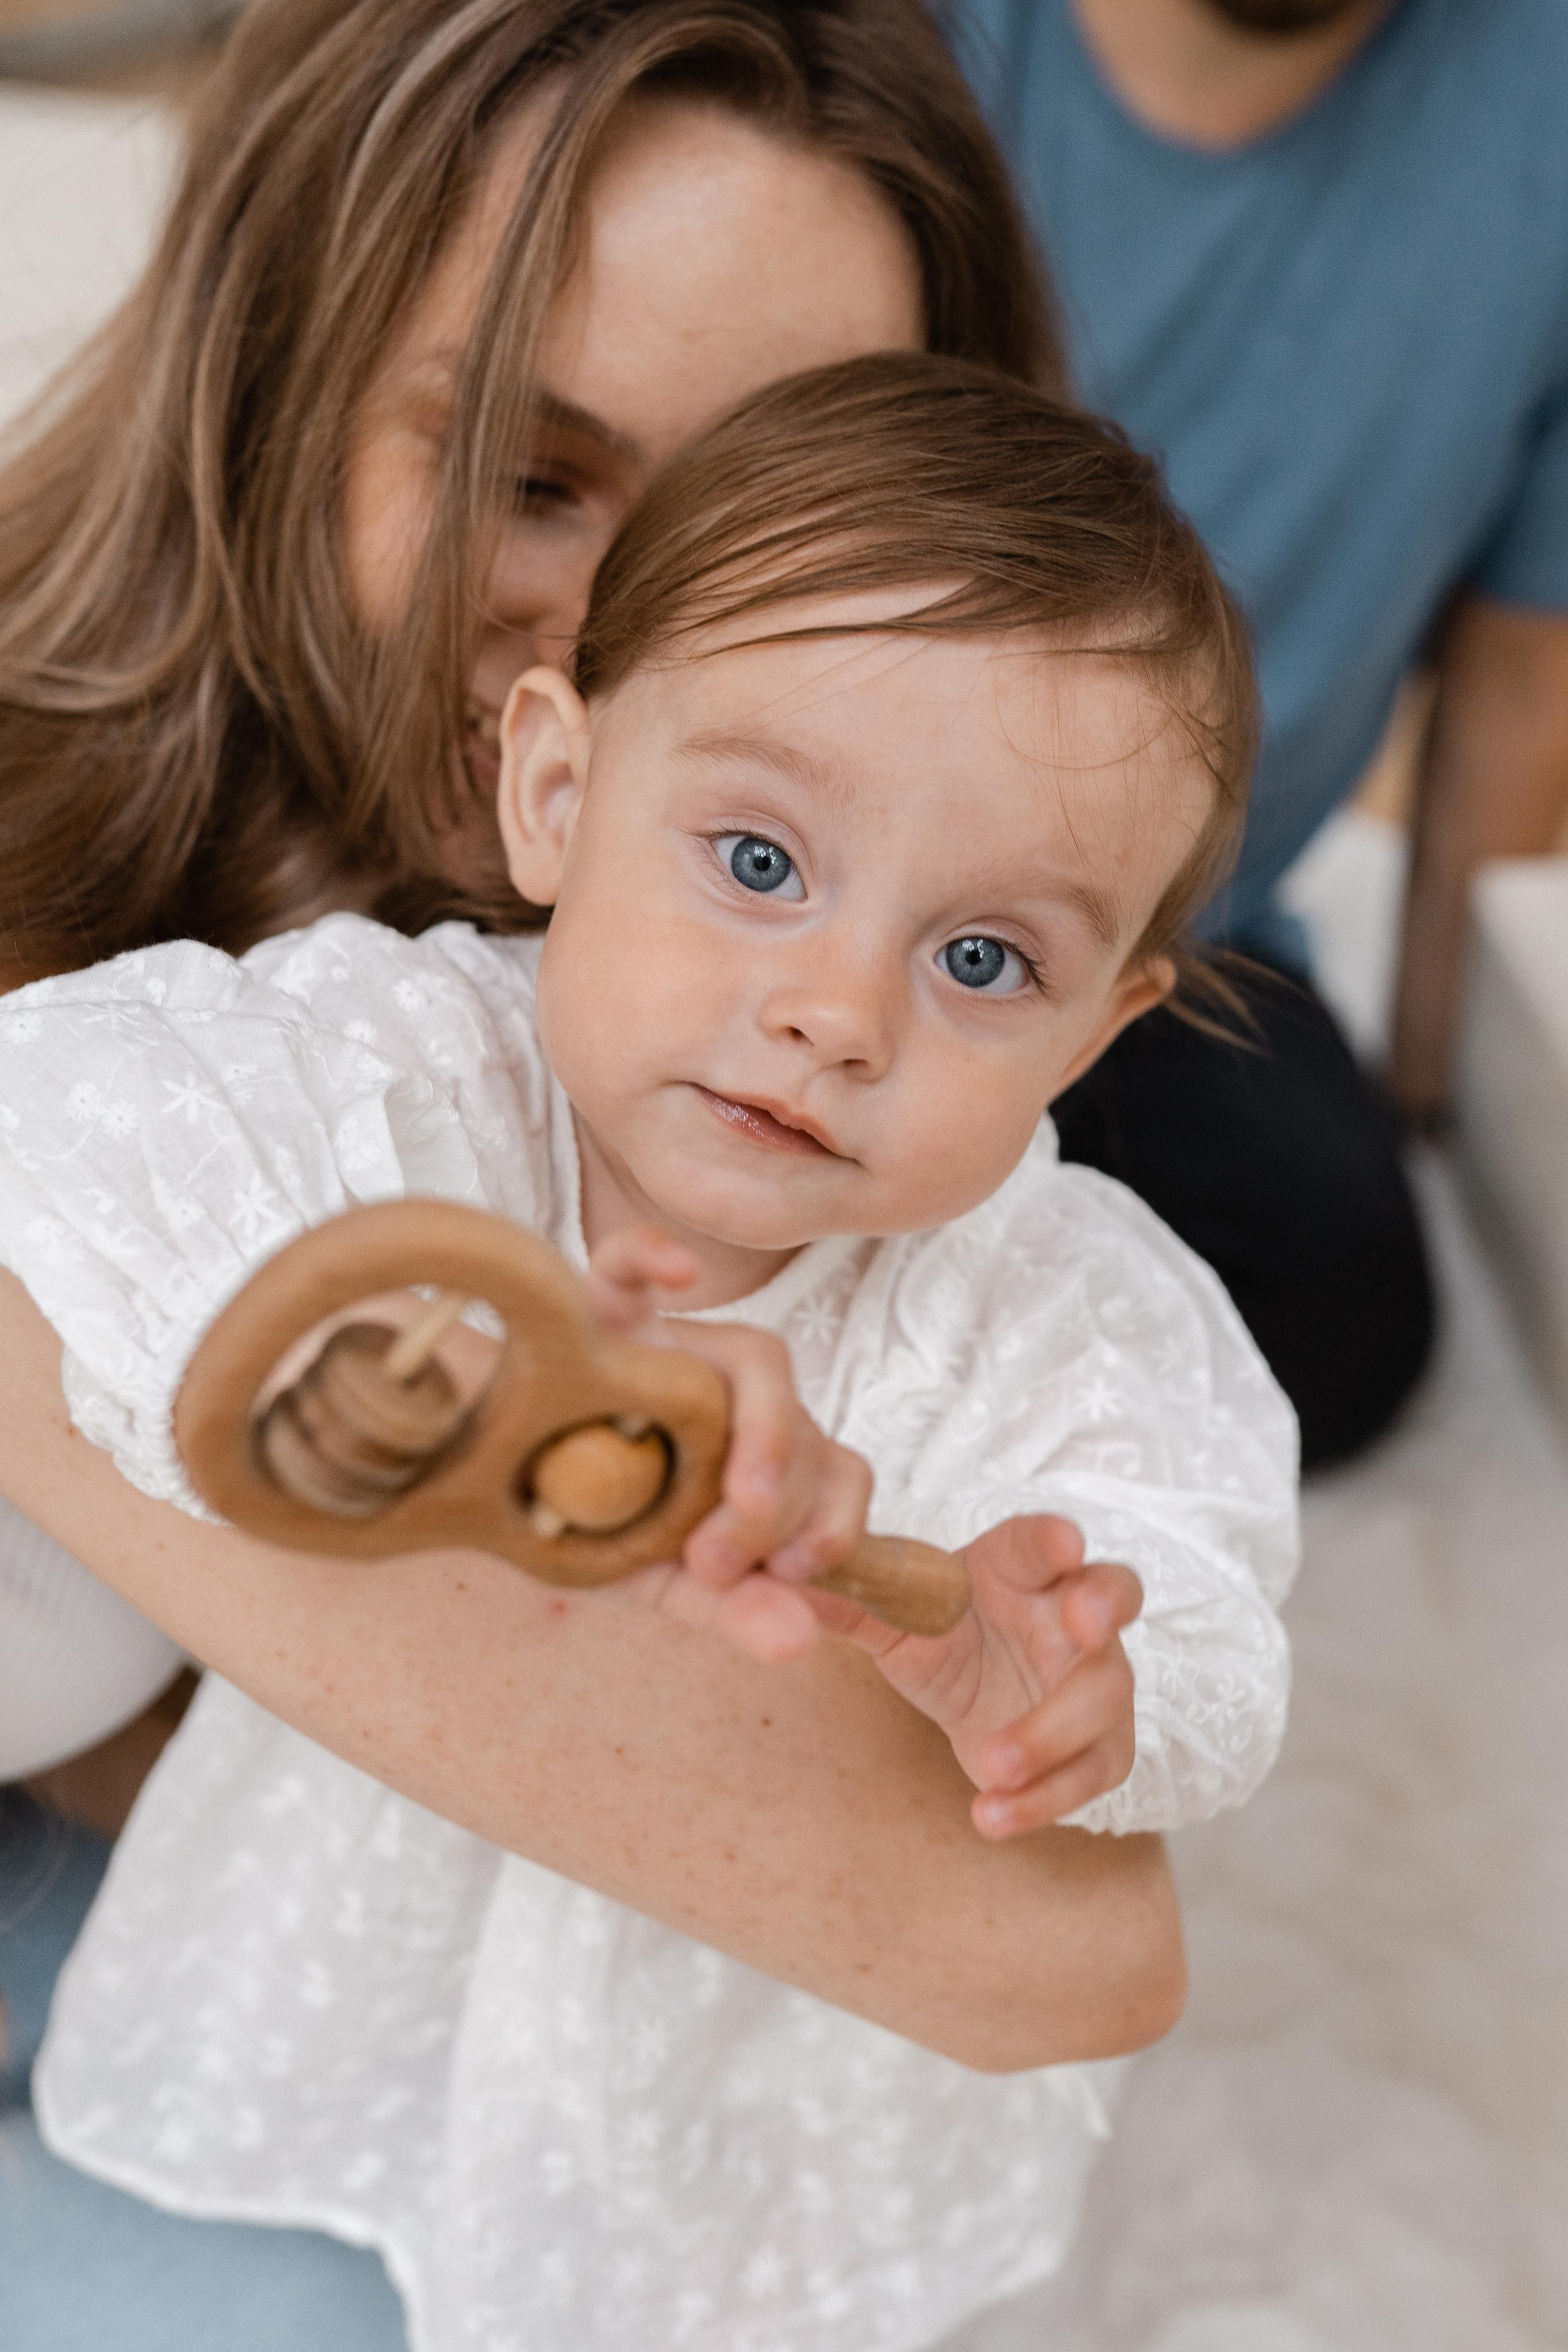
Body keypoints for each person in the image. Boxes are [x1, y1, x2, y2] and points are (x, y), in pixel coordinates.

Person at [0, 7, 1169, 2346]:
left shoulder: (757, 1044)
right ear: (274, 383)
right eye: (538, 477)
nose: (663, 647)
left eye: (786, 517)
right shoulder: (87, 1071)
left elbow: (1057, 1932)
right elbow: (1035, 1945)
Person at [941, 0, 1568, 1467]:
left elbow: (1519, 677)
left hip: (1167, 956)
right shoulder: (912, 40)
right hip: (801, 861)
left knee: (1346, 1304)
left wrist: (1429, 1099)